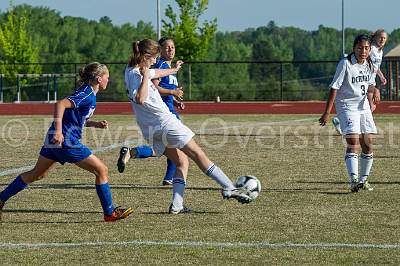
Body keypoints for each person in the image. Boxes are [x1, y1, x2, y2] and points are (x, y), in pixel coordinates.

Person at [120, 39, 252, 214]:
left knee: (182, 162)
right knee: (199, 155)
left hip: (150, 129)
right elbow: (141, 98)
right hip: (165, 123)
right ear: (145, 56)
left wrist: (172, 70)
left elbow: (154, 73)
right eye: (153, 58)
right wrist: (146, 77)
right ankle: (229, 187)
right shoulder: (139, 75)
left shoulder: (130, 69)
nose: (154, 61)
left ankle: (177, 205)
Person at [0, 62, 133, 222]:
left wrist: (95, 124)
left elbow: (76, 118)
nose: (108, 81)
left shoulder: (88, 94)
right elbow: (60, 104)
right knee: (102, 170)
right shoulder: (87, 93)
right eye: (107, 77)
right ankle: (109, 213)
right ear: (99, 79)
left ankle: (1, 199)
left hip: (55, 139)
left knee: (37, 174)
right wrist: (58, 130)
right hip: (66, 140)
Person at [117, 37, 185, 186]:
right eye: (166, 47)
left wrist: (174, 99)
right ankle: (170, 178)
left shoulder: (163, 66)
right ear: (157, 51)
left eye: (172, 47)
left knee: (161, 148)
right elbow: (153, 89)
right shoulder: (155, 65)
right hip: (163, 114)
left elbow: (153, 90)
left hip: (161, 112)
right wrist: (172, 93)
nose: (171, 50)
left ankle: (132, 153)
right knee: (180, 149)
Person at [319, 34, 377, 192]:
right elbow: (334, 88)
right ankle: (354, 181)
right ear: (354, 48)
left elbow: (370, 85)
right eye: (360, 48)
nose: (363, 51)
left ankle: (363, 181)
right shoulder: (345, 63)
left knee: (368, 143)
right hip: (346, 106)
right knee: (353, 142)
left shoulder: (370, 64)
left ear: (370, 49)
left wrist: (375, 91)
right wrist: (327, 112)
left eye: (366, 48)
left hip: (363, 107)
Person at [331, 29, 387, 135]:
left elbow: (375, 67)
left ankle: (348, 123)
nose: (382, 39)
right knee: (369, 105)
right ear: (376, 38)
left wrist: (381, 76)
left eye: (384, 38)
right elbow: (365, 62)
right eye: (380, 37)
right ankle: (345, 122)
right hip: (363, 80)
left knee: (369, 106)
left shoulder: (380, 51)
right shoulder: (372, 49)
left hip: (370, 80)